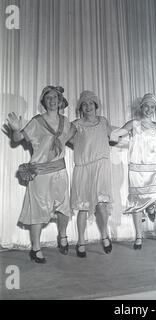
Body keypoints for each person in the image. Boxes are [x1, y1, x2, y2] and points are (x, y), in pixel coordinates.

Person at [6, 86, 74, 263]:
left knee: (64, 207)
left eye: (55, 97)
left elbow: (75, 138)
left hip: (60, 171)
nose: (52, 100)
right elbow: (17, 138)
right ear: (44, 102)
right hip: (41, 173)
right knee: (37, 210)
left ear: (60, 101)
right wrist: (15, 129)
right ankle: (35, 247)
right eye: (48, 97)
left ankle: (63, 236)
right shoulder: (37, 121)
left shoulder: (66, 122)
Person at [110, 93, 156, 249]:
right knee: (136, 202)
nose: (149, 109)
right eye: (146, 106)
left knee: (151, 197)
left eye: (152, 107)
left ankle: (152, 206)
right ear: (141, 107)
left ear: (155, 109)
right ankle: (138, 236)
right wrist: (109, 134)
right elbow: (118, 133)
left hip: (153, 169)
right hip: (136, 170)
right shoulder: (134, 124)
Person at [70, 91, 113, 258]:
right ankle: (81, 241)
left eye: (90, 103)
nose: (87, 107)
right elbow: (64, 137)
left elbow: (112, 135)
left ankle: (105, 235)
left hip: (101, 166)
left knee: (101, 205)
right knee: (83, 207)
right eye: (84, 104)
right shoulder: (76, 124)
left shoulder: (103, 121)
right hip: (83, 168)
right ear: (81, 107)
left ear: (96, 105)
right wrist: (79, 146)